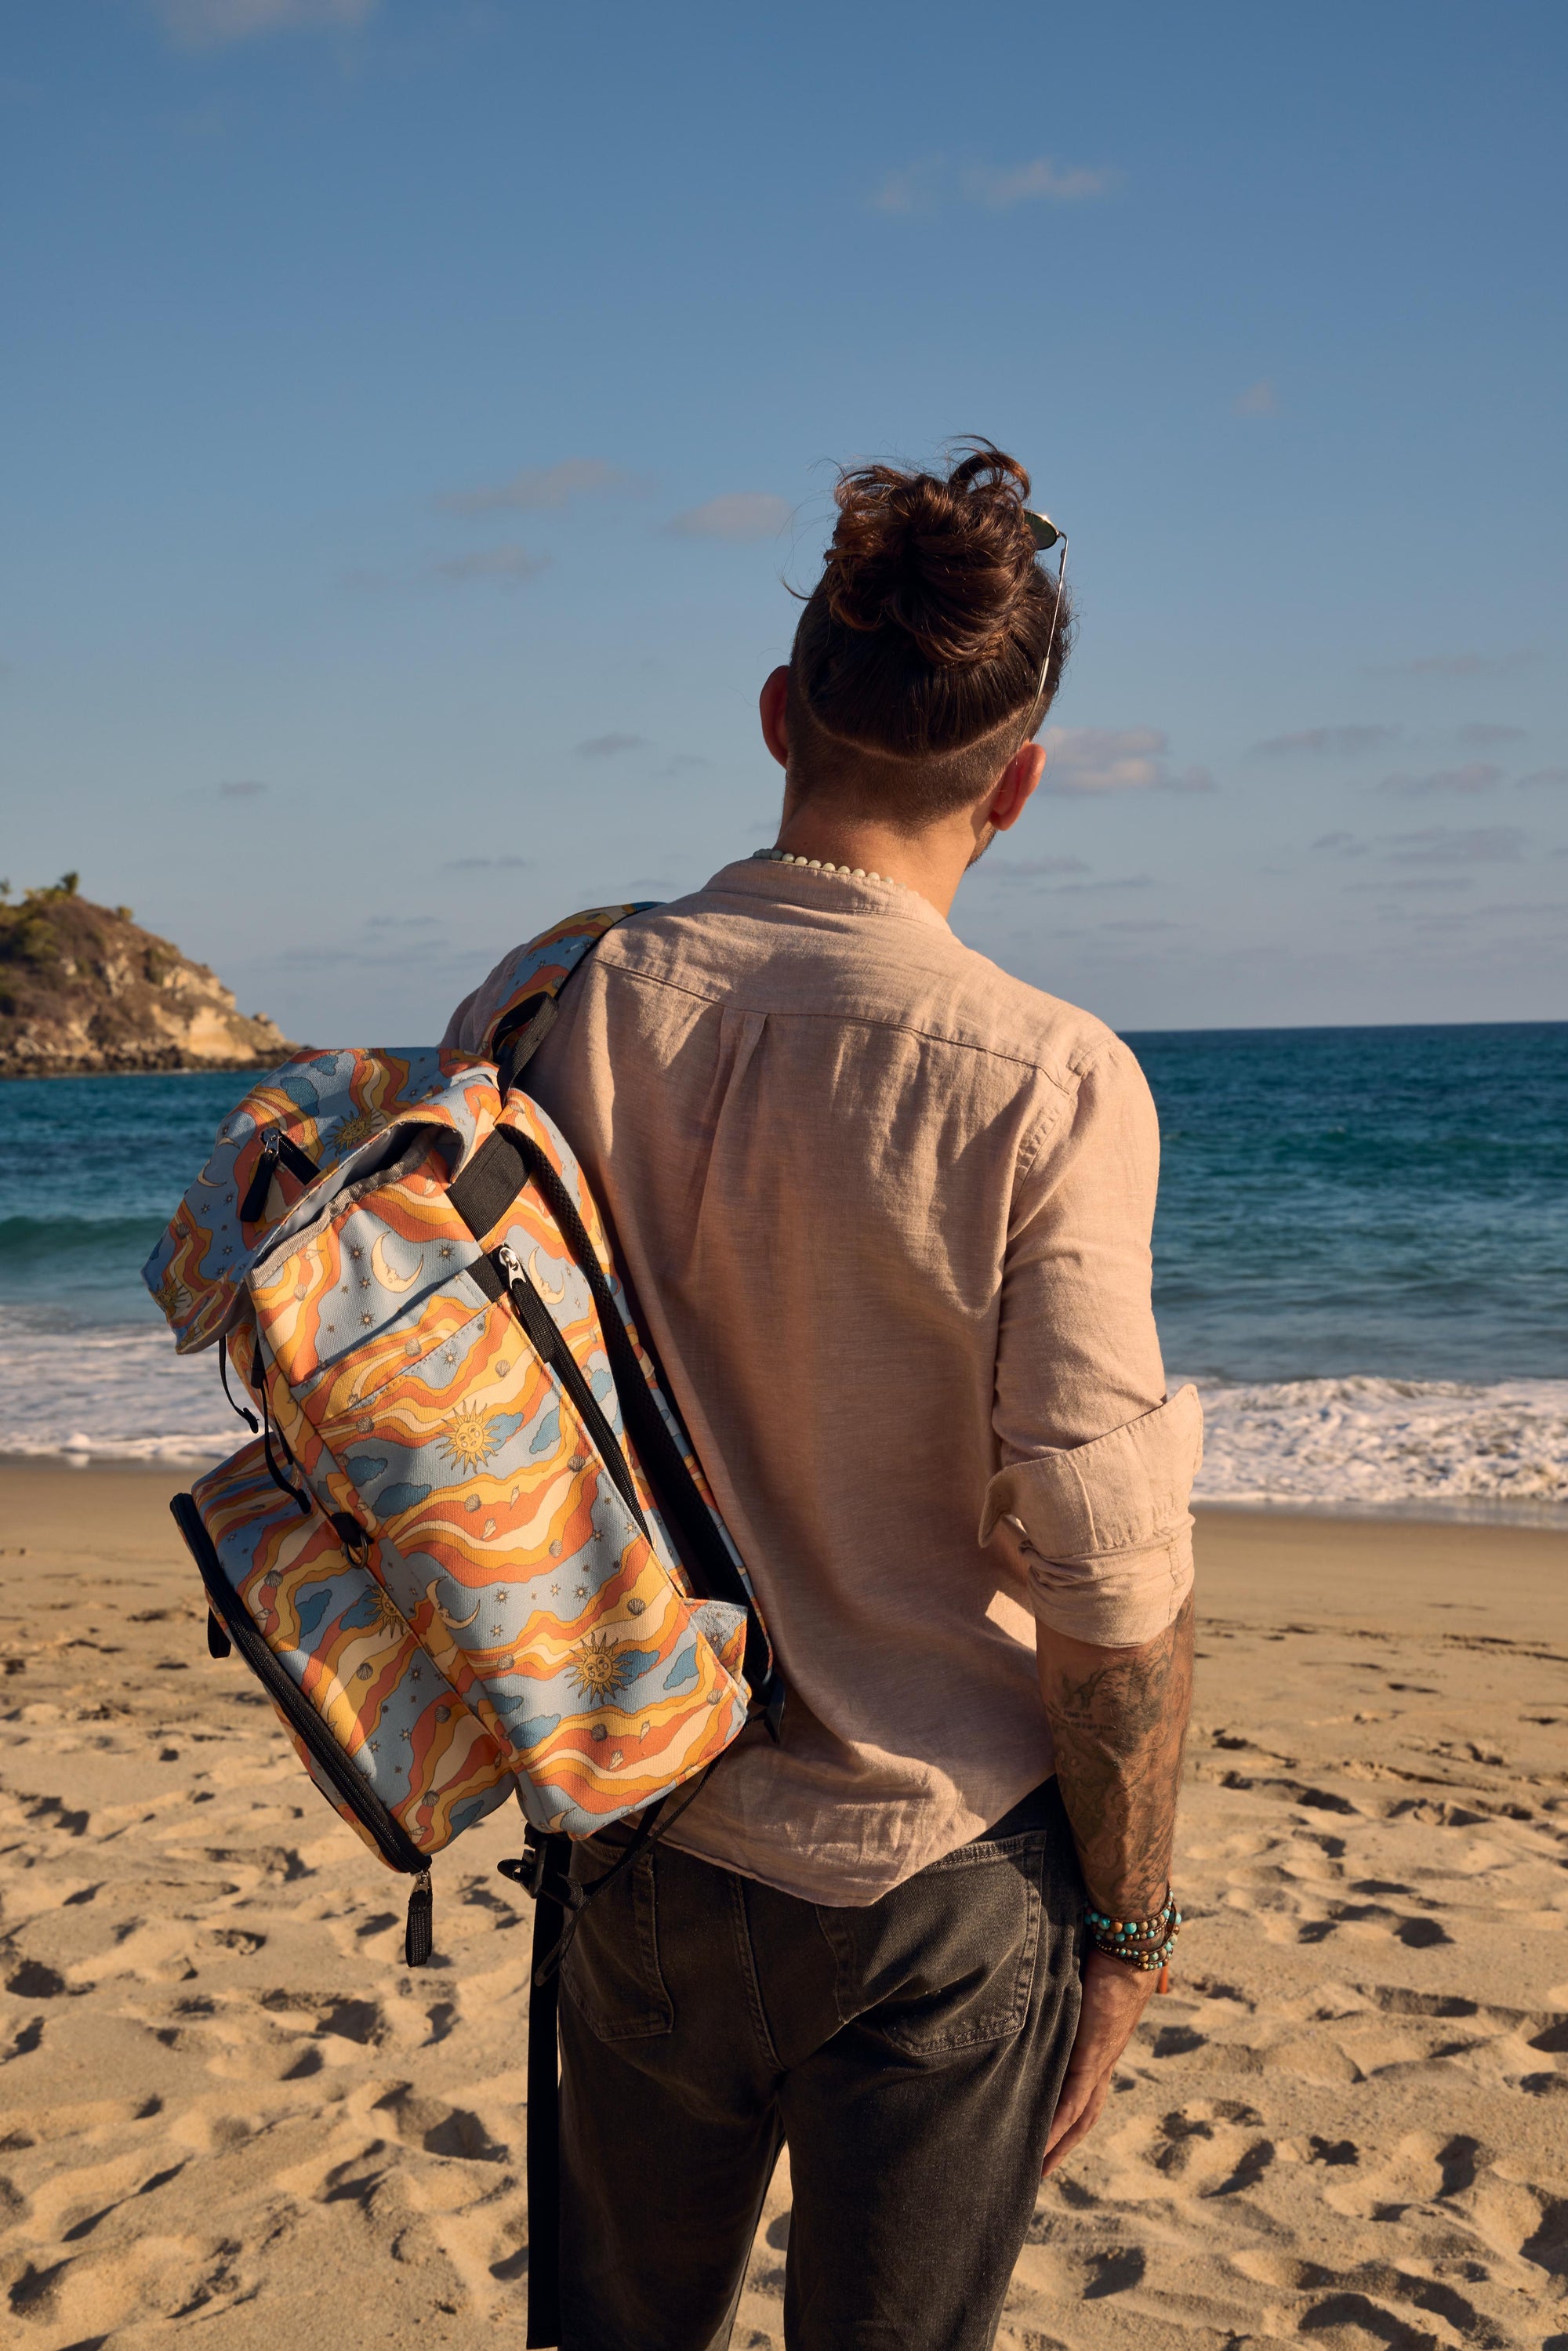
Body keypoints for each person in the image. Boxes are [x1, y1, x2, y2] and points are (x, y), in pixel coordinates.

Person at [443, 441, 1200, 2351]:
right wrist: (1125, 1935)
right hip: (938, 1877)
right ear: (1016, 786)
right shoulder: (1046, 1078)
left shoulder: (545, 1006)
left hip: (634, 1818)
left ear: (780, 713)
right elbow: (1111, 1600)